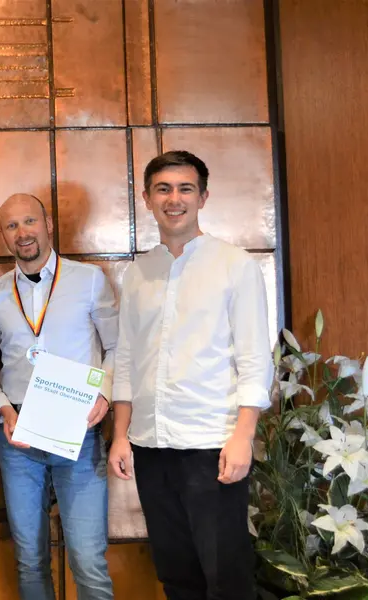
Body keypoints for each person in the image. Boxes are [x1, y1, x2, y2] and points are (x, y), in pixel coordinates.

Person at [108, 150, 273, 600]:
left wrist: (243, 437)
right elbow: (127, 359)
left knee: (226, 577)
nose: (174, 199)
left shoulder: (234, 265)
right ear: (147, 198)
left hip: (212, 445)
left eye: (185, 189)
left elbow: (255, 360)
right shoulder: (138, 272)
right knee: (176, 574)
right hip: (150, 446)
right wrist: (120, 436)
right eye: (163, 189)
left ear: (203, 197)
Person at [0, 194, 117, 600]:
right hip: (18, 435)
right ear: (3, 236)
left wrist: (104, 395)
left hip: (81, 428)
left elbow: (118, 347)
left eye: (30, 221)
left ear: (48, 224)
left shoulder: (89, 280)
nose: (23, 233)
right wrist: (3, 409)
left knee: (88, 558)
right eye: (12, 226)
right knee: (29, 558)